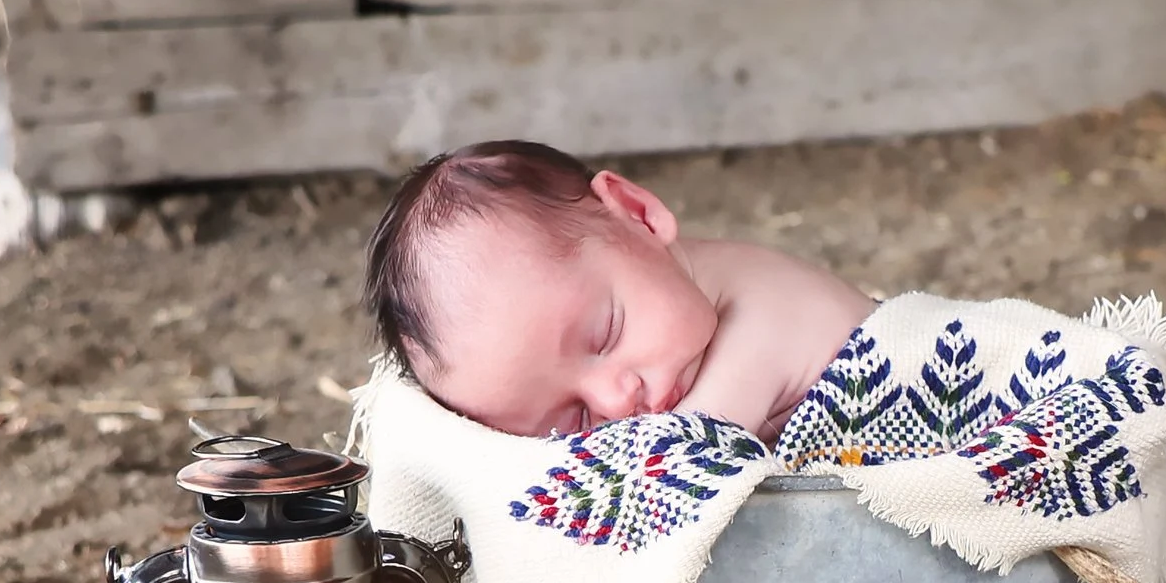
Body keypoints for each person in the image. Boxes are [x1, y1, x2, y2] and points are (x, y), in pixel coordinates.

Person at [363, 140, 874, 440]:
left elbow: (669, 477)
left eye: (606, 333)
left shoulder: (766, 318)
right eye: (574, 419)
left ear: (638, 215)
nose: (615, 400)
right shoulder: (681, 307)